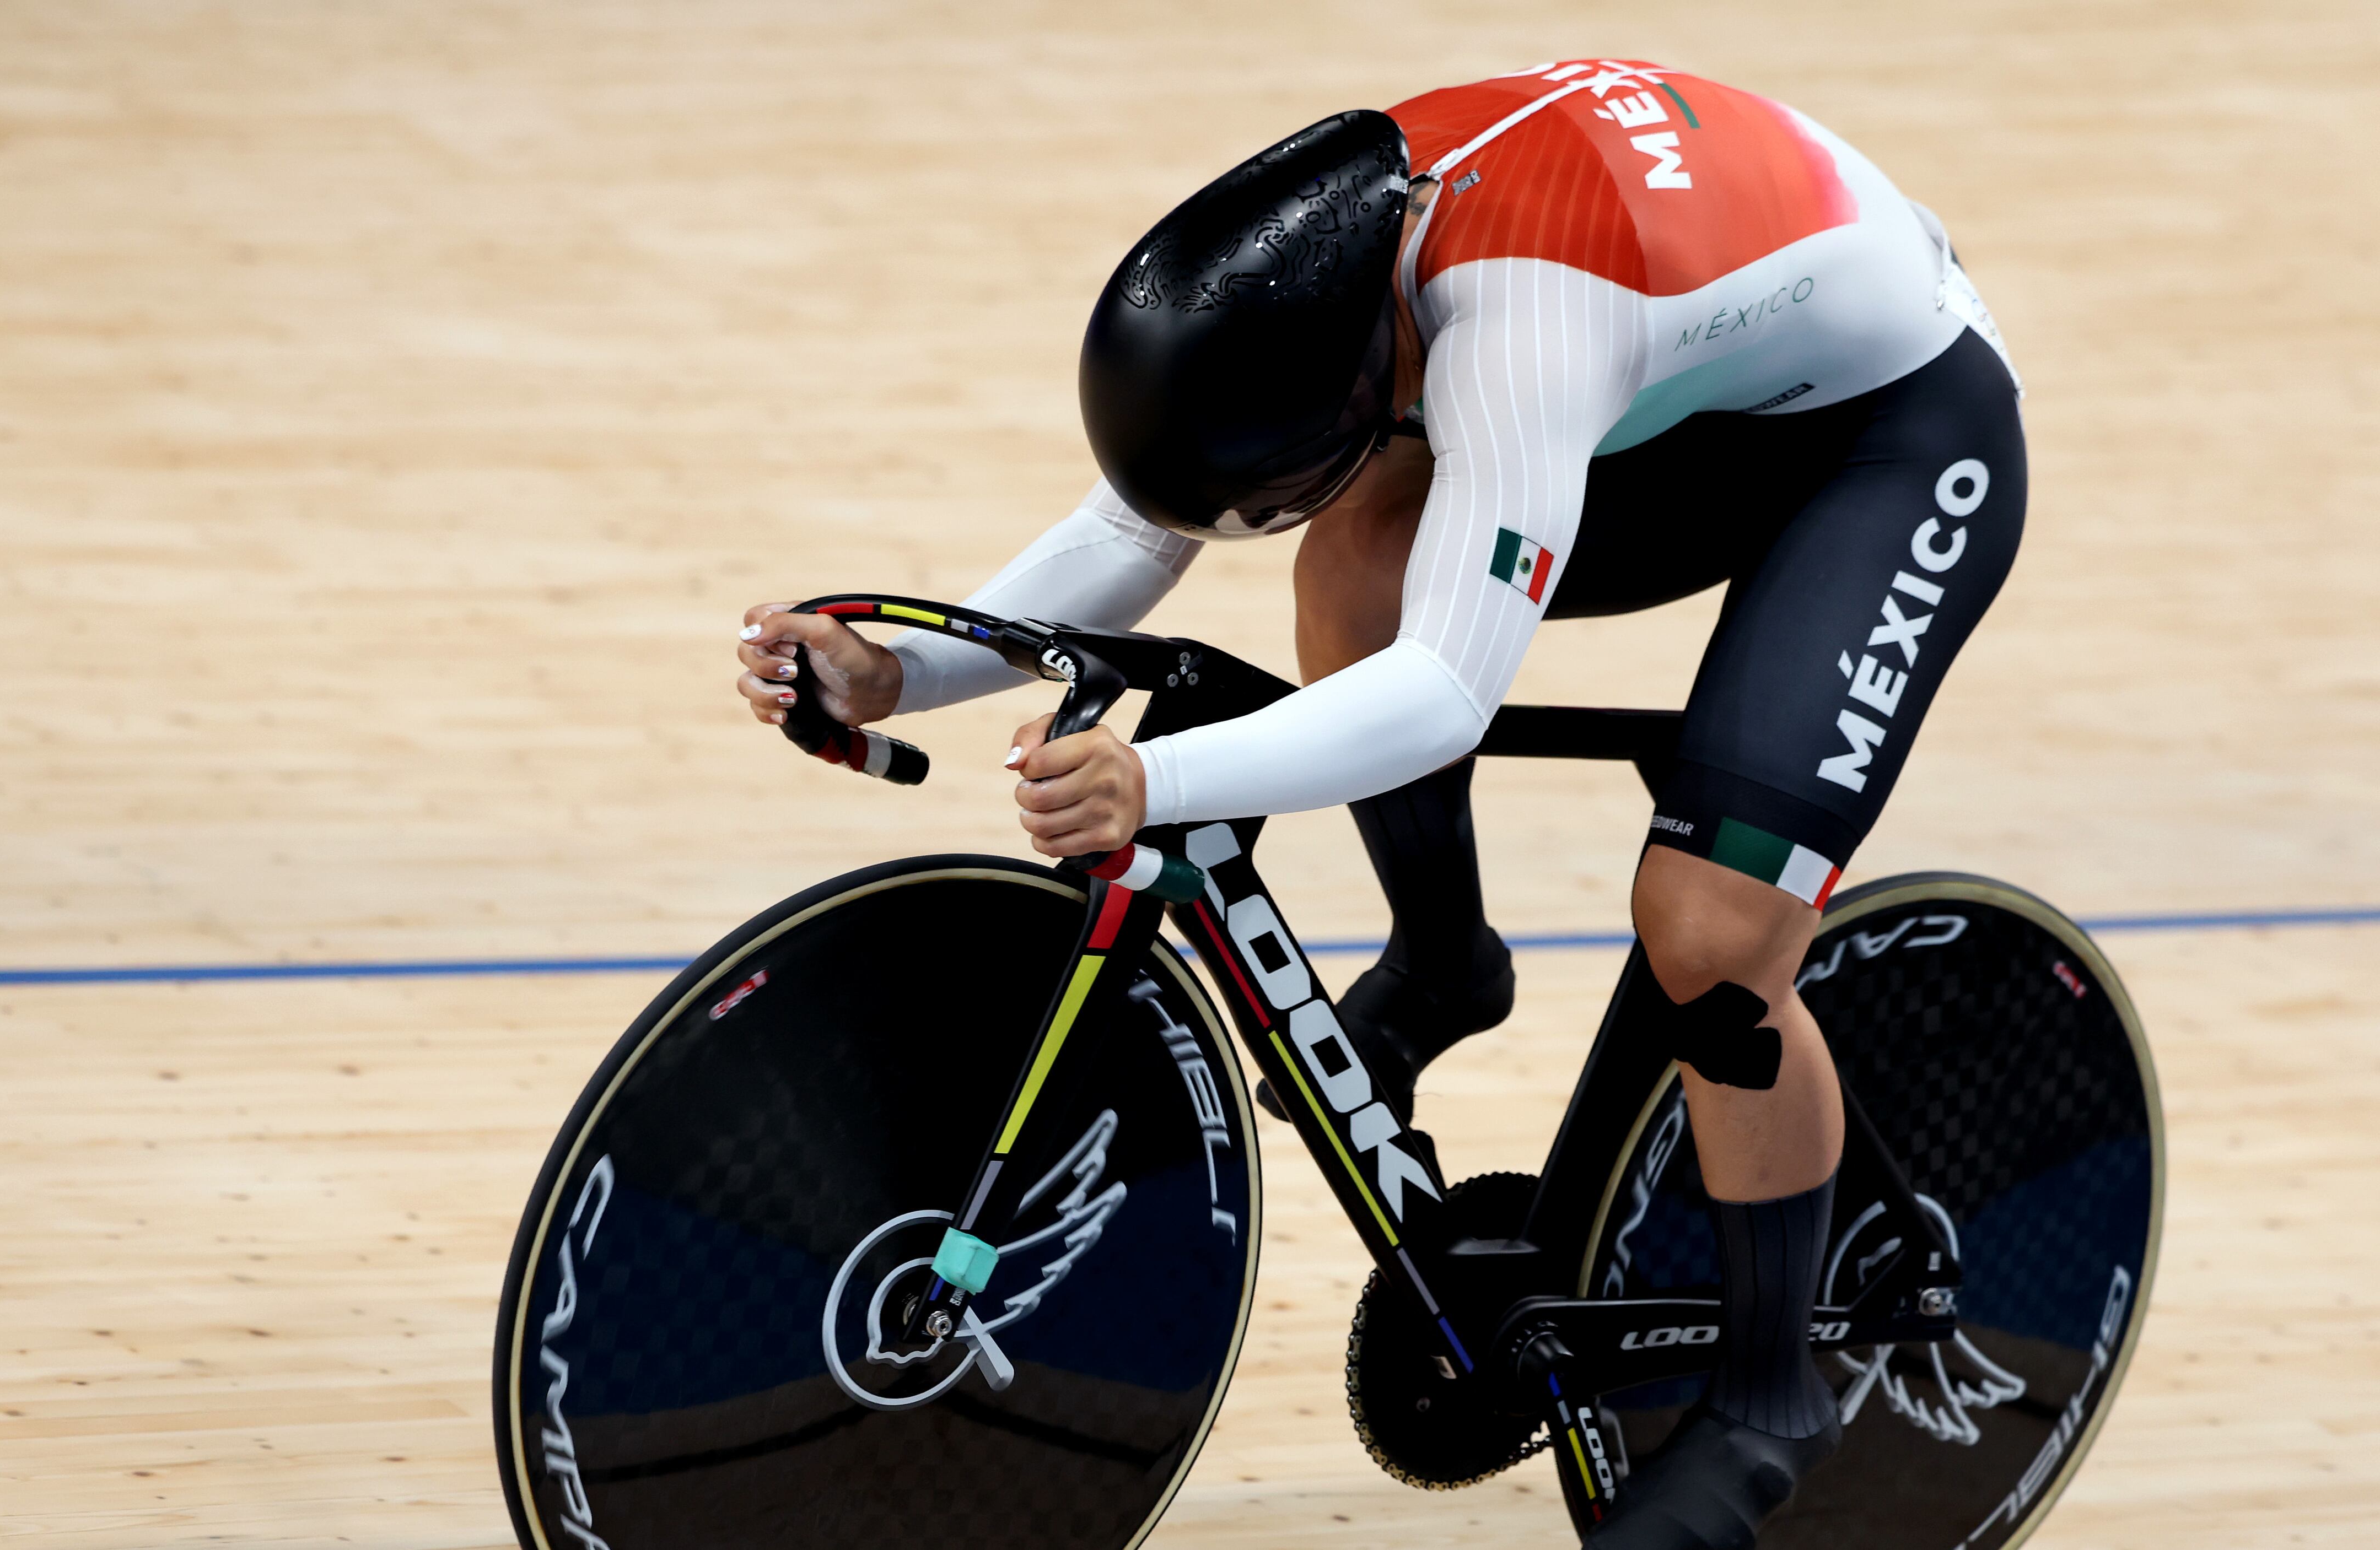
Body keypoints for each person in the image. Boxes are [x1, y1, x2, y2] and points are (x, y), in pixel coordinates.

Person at [734, 58, 2022, 1550]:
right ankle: (1444, 959)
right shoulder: (1297, 261)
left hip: (1892, 436)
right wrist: (901, 673)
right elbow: (1137, 530)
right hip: (1687, 387)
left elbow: (1444, 695)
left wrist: (1161, 778)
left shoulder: (1523, 323)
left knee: (1712, 934)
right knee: (1352, 549)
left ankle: (1770, 1397)